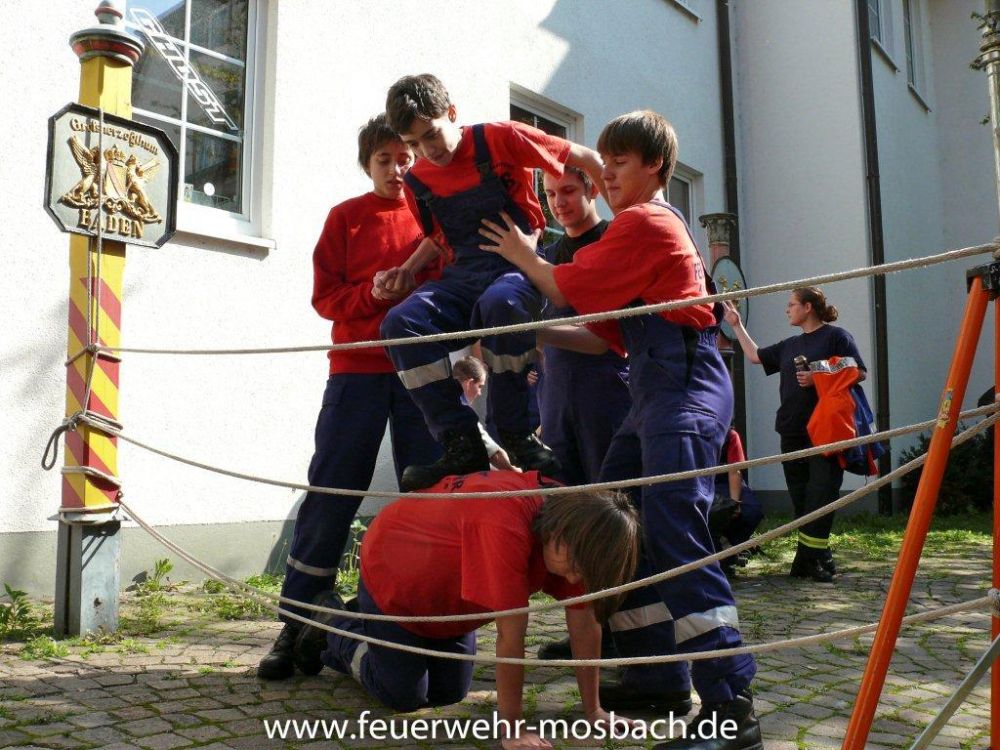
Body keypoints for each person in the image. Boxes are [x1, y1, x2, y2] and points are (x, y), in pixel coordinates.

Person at [479, 110, 760, 750]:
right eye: (601, 165)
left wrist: (521, 252)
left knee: (673, 529)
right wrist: (530, 329)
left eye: (619, 165)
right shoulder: (638, 231)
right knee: (612, 518)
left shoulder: (646, 221)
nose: (606, 177)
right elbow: (594, 329)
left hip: (683, 386)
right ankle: (652, 673)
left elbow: (562, 284)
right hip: (650, 389)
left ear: (655, 166)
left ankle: (730, 708)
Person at [257, 115, 443, 681]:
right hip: (356, 370)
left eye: (404, 156)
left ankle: (424, 616)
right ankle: (300, 621)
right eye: (383, 159)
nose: (396, 167)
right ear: (367, 164)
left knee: (430, 492)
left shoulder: (435, 218)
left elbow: (455, 290)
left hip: (422, 373)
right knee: (333, 487)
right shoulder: (346, 218)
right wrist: (373, 291)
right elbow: (326, 298)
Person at [374, 73, 606, 492]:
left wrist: (637, 211)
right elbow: (438, 239)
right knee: (399, 324)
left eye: (431, 134)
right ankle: (459, 439)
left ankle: (517, 433)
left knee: (502, 305)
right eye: (413, 143)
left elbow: (588, 160)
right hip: (462, 273)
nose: (427, 150)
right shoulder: (418, 181)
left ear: (452, 113)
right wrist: (407, 270)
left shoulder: (500, 138)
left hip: (514, 267)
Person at [292, 471, 640, 750]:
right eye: (576, 567)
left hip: (451, 605)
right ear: (560, 535)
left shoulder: (581, 527)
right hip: (394, 584)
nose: (576, 578)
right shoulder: (505, 522)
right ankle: (337, 626)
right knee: (403, 695)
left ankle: (368, 631)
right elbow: (510, 638)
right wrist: (512, 730)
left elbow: (585, 623)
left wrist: (594, 711)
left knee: (448, 693)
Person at [723, 287, 865, 584]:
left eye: (792, 304)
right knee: (801, 500)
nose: (787, 310)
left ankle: (816, 558)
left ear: (808, 307)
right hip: (791, 430)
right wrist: (735, 324)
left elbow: (857, 370)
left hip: (826, 432)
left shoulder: (836, 337)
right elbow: (755, 356)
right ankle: (808, 559)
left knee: (820, 496)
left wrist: (818, 373)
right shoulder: (790, 344)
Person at [707, 427, 765, 577]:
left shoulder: (730, 435)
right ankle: (718, 552)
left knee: (751, 511)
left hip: (726, 484)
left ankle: (731, 546)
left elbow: (735, 471)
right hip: (703, 483)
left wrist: (734, 504)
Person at [452, 354, 518, 471]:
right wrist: (514, 471)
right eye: (480, 386)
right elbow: (493, 452)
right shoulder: (462, 413)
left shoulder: (437, 403)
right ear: (469, 383)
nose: (480, 393)